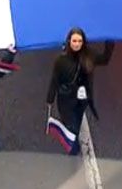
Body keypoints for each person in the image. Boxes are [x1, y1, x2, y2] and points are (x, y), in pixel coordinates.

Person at [46, 28, 115, 156]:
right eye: (74, 41)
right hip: (65, 99)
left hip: (82, 99)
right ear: (69, 41)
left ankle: (73, 142)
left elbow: (105, 59)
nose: (77, 44)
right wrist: (50, 99)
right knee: (70, 126)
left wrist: (110, 42)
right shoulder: (61, 60)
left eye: (79, 41)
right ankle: (73, 147)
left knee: (76, 125)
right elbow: (55, 80)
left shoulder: (89, 56)